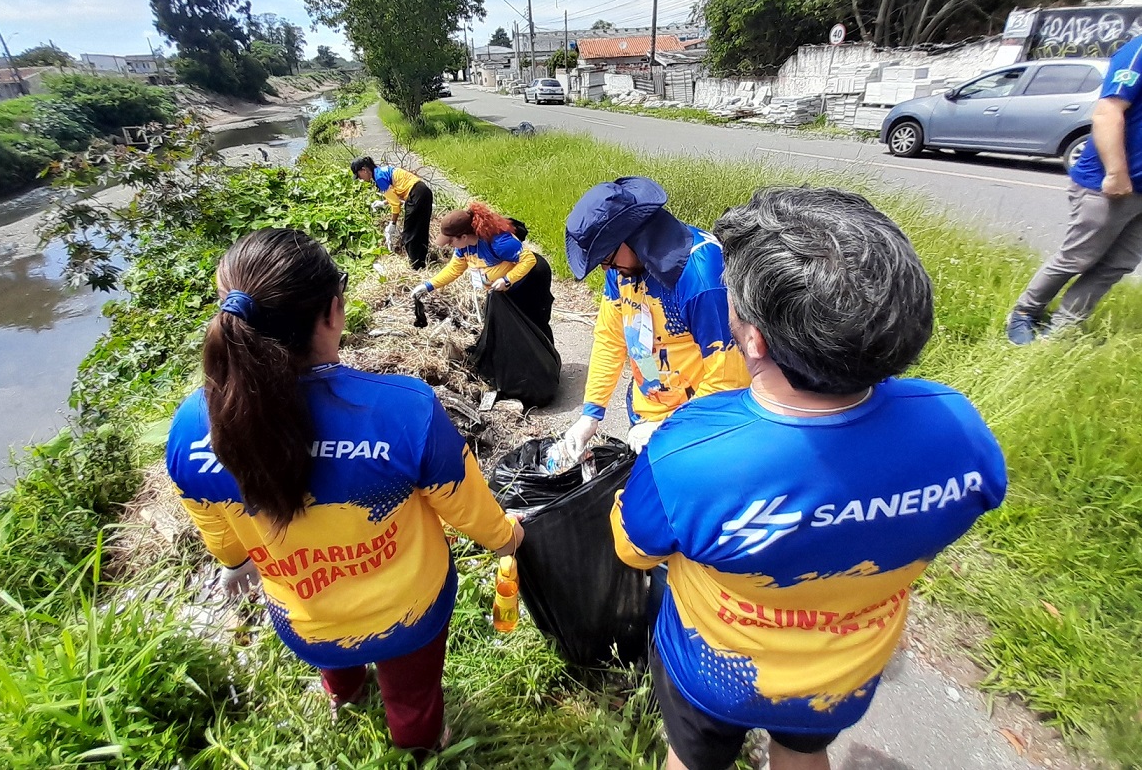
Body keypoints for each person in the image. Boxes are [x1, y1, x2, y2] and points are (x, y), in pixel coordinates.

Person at [611, 187, 1007, 770]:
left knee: (693, 759)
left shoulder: (690, 452)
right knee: (803, 754)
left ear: (754, 337)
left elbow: (633, 548)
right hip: (842, 674)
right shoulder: (958, 427)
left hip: (717, 667)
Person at [166, 228, 523, 754]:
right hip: (407, 612)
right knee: (412, 695)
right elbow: (464, 503)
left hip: (305, 616)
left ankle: (343, 696)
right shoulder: (405, 409)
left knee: (334, 657)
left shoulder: (194, 426)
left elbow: (218, 530)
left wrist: (234, 562)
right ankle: (420, 747)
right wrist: (506, 538)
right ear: (333, 311)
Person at [561, 177, 749, 457]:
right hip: (647, 413)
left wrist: (667, 426)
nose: (605, 268)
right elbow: (611, 338)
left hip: (699, 426)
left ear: (634, 237)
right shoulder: (624, 267)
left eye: (606, 257)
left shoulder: (702, 278)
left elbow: (729, 378)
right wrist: (591, 412)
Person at [1007, 33, 1142, 343]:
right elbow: (1108, 112)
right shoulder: (1138, 51)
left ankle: (1061, 328)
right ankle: (1024, 312)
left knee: (1117, 265)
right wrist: (1116, 172)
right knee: (1078, 258)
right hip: (1109, 184)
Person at [411, 202, 554, 339]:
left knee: (534, 325)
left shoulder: (498, 243)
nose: (449, 245)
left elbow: (528, 259)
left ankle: (546, 355)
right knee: (507, 329)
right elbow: (453, 269)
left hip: (531, 280)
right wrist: (428, 286)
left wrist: (507, 280)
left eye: (450, 241)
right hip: (504, 288)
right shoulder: (463, 248)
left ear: (464, 237)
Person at [351, 156, 434, 271]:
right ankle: (421, 263)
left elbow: (396, 204)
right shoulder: (382, 171)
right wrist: (383, 203)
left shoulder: (379, 178)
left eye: (359, 175)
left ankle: (416, 267)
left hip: (416, 195)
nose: (360, 179)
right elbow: (396, 193)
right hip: (423, 191)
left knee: (410, 234)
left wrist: (392, 224)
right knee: (420, 230)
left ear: (364, 170)